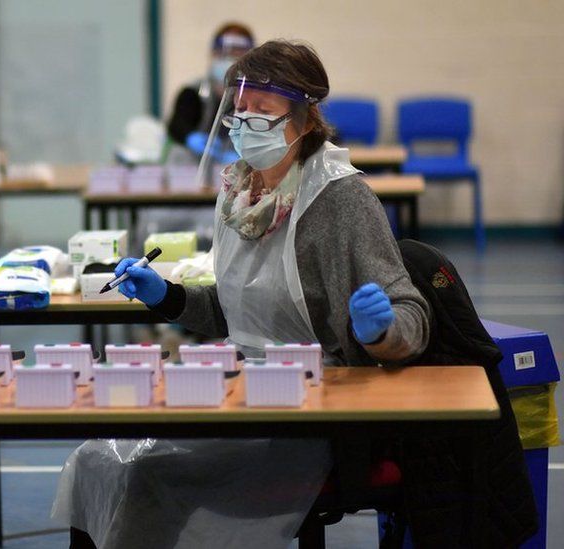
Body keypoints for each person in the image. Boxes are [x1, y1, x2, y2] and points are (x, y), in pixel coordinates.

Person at [53, 40, 432, 548]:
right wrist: (165, 294)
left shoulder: (340, 200)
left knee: (146, 476)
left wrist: (381, 330)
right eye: (240, 109)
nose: (244, 120)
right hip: (243, 395)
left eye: (263, 111)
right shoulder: (240, 193)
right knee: (95, 460)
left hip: (314, 415)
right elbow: (235, 314)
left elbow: (413, 318)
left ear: (303, 120)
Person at [165, 22, 255, 165]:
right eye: (224, 52)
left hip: (239, 173)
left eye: (236, 53)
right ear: (213, 54)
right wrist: (190, 137)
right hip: (190, 173)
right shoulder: (194, 92)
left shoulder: (257, 97)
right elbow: (176, 125)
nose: (230, 59)